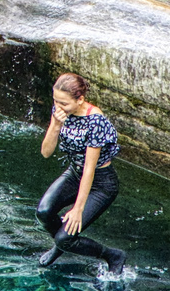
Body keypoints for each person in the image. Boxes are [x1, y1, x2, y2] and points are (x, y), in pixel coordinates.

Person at [37, 72, 126, 272]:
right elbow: (45, 152)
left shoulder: (95, 121)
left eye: (64, 104)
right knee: (43, 212)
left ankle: (112, 255)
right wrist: (56, 125)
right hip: (74, 173)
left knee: (66, 237)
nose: (59, 107)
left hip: (101, 183)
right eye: (56, 101)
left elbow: (89, 168)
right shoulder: (59, 111)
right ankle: (62, 243)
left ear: (80, 100)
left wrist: (78, 209)